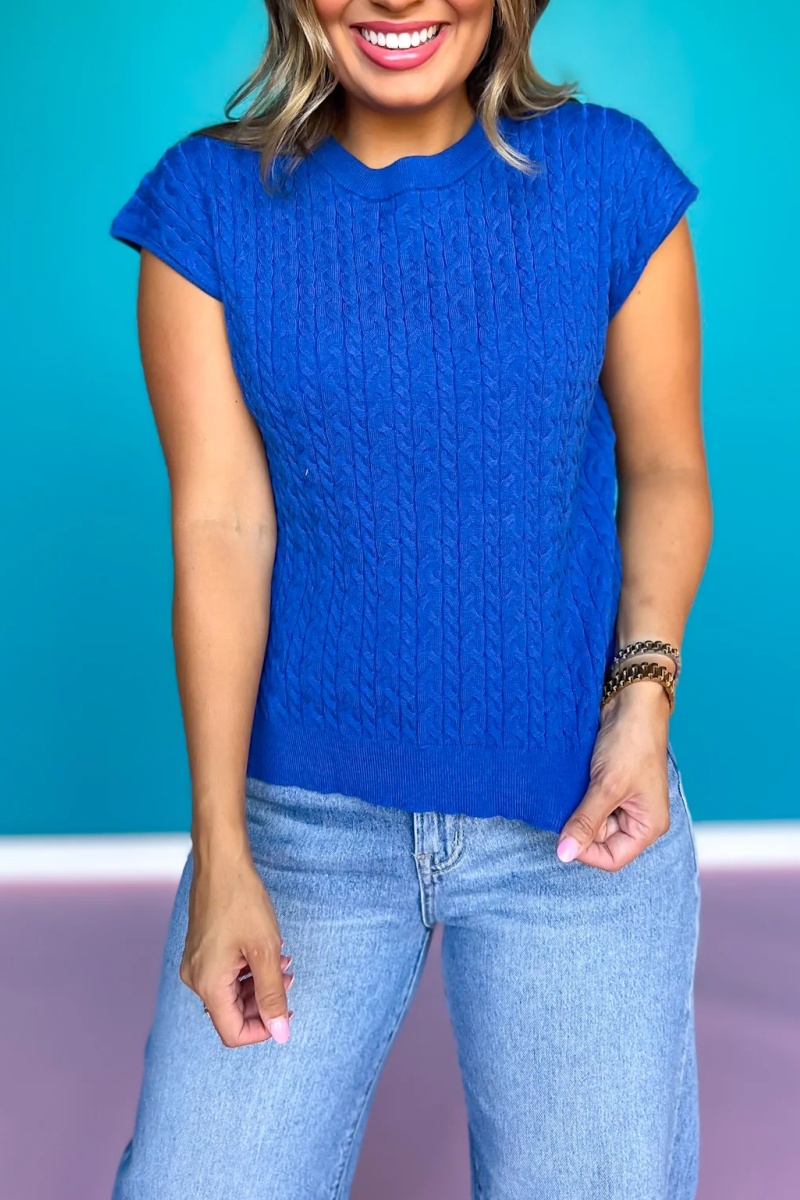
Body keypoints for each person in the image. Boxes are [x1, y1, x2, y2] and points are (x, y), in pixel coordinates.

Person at [108, 0, 712, 1196]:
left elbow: (663, 472)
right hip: (300, 832)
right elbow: (222, 530)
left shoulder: (608, 178)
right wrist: (221, 852)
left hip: (574, 816)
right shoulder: (206, 207)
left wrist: (641, 704)